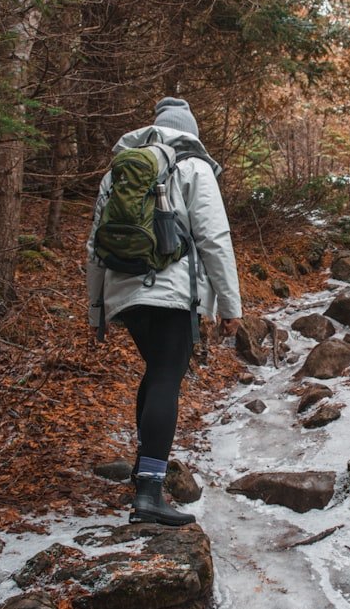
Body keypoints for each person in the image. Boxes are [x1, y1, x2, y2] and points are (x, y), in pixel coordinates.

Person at [87, 97, 242, 526]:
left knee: (157, 373)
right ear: (190, 131)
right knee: (166, 378)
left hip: (126, 294)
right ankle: (150, 493)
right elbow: (214, 237)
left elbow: (95, 246)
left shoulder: (117, 172)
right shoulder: (195, 167)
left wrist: (97, 310)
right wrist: (231, 306)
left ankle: (143, 473)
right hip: (173, 294)